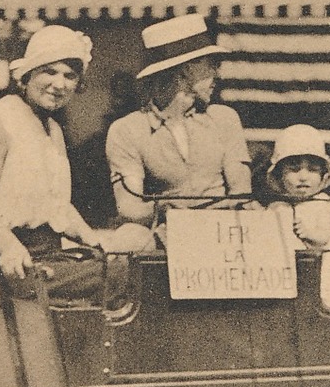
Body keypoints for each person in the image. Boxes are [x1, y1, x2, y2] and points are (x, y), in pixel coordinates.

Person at [0, 25, 154, 279]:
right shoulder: (0, 117)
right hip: (2, 259)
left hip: (46, 254)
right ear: (26, 76)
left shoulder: (53, 129)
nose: (59, 84)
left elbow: (57, 206)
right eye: (49, 72)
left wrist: (96, 242)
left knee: (127, 264)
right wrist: (10, 247)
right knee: (123, 278)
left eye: (69, 76)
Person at [106, 14, 253, 232]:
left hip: (223, 232)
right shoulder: (128, 130)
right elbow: (129, 207)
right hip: (166, 233)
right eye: (211, 64)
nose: (217, 74)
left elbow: (241, 192)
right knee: (128, 238)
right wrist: (164, 209)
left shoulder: (224, 118)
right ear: (186, 69)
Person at [266, 124, 330, 252]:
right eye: (294, 169)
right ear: (280, 176)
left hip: (322, 268)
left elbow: (323, 237)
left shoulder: (324, 203)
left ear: (323, 176)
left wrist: (308, 233)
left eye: (312, 170)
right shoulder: (277, 206)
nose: (303, 177)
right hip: (285, 268)